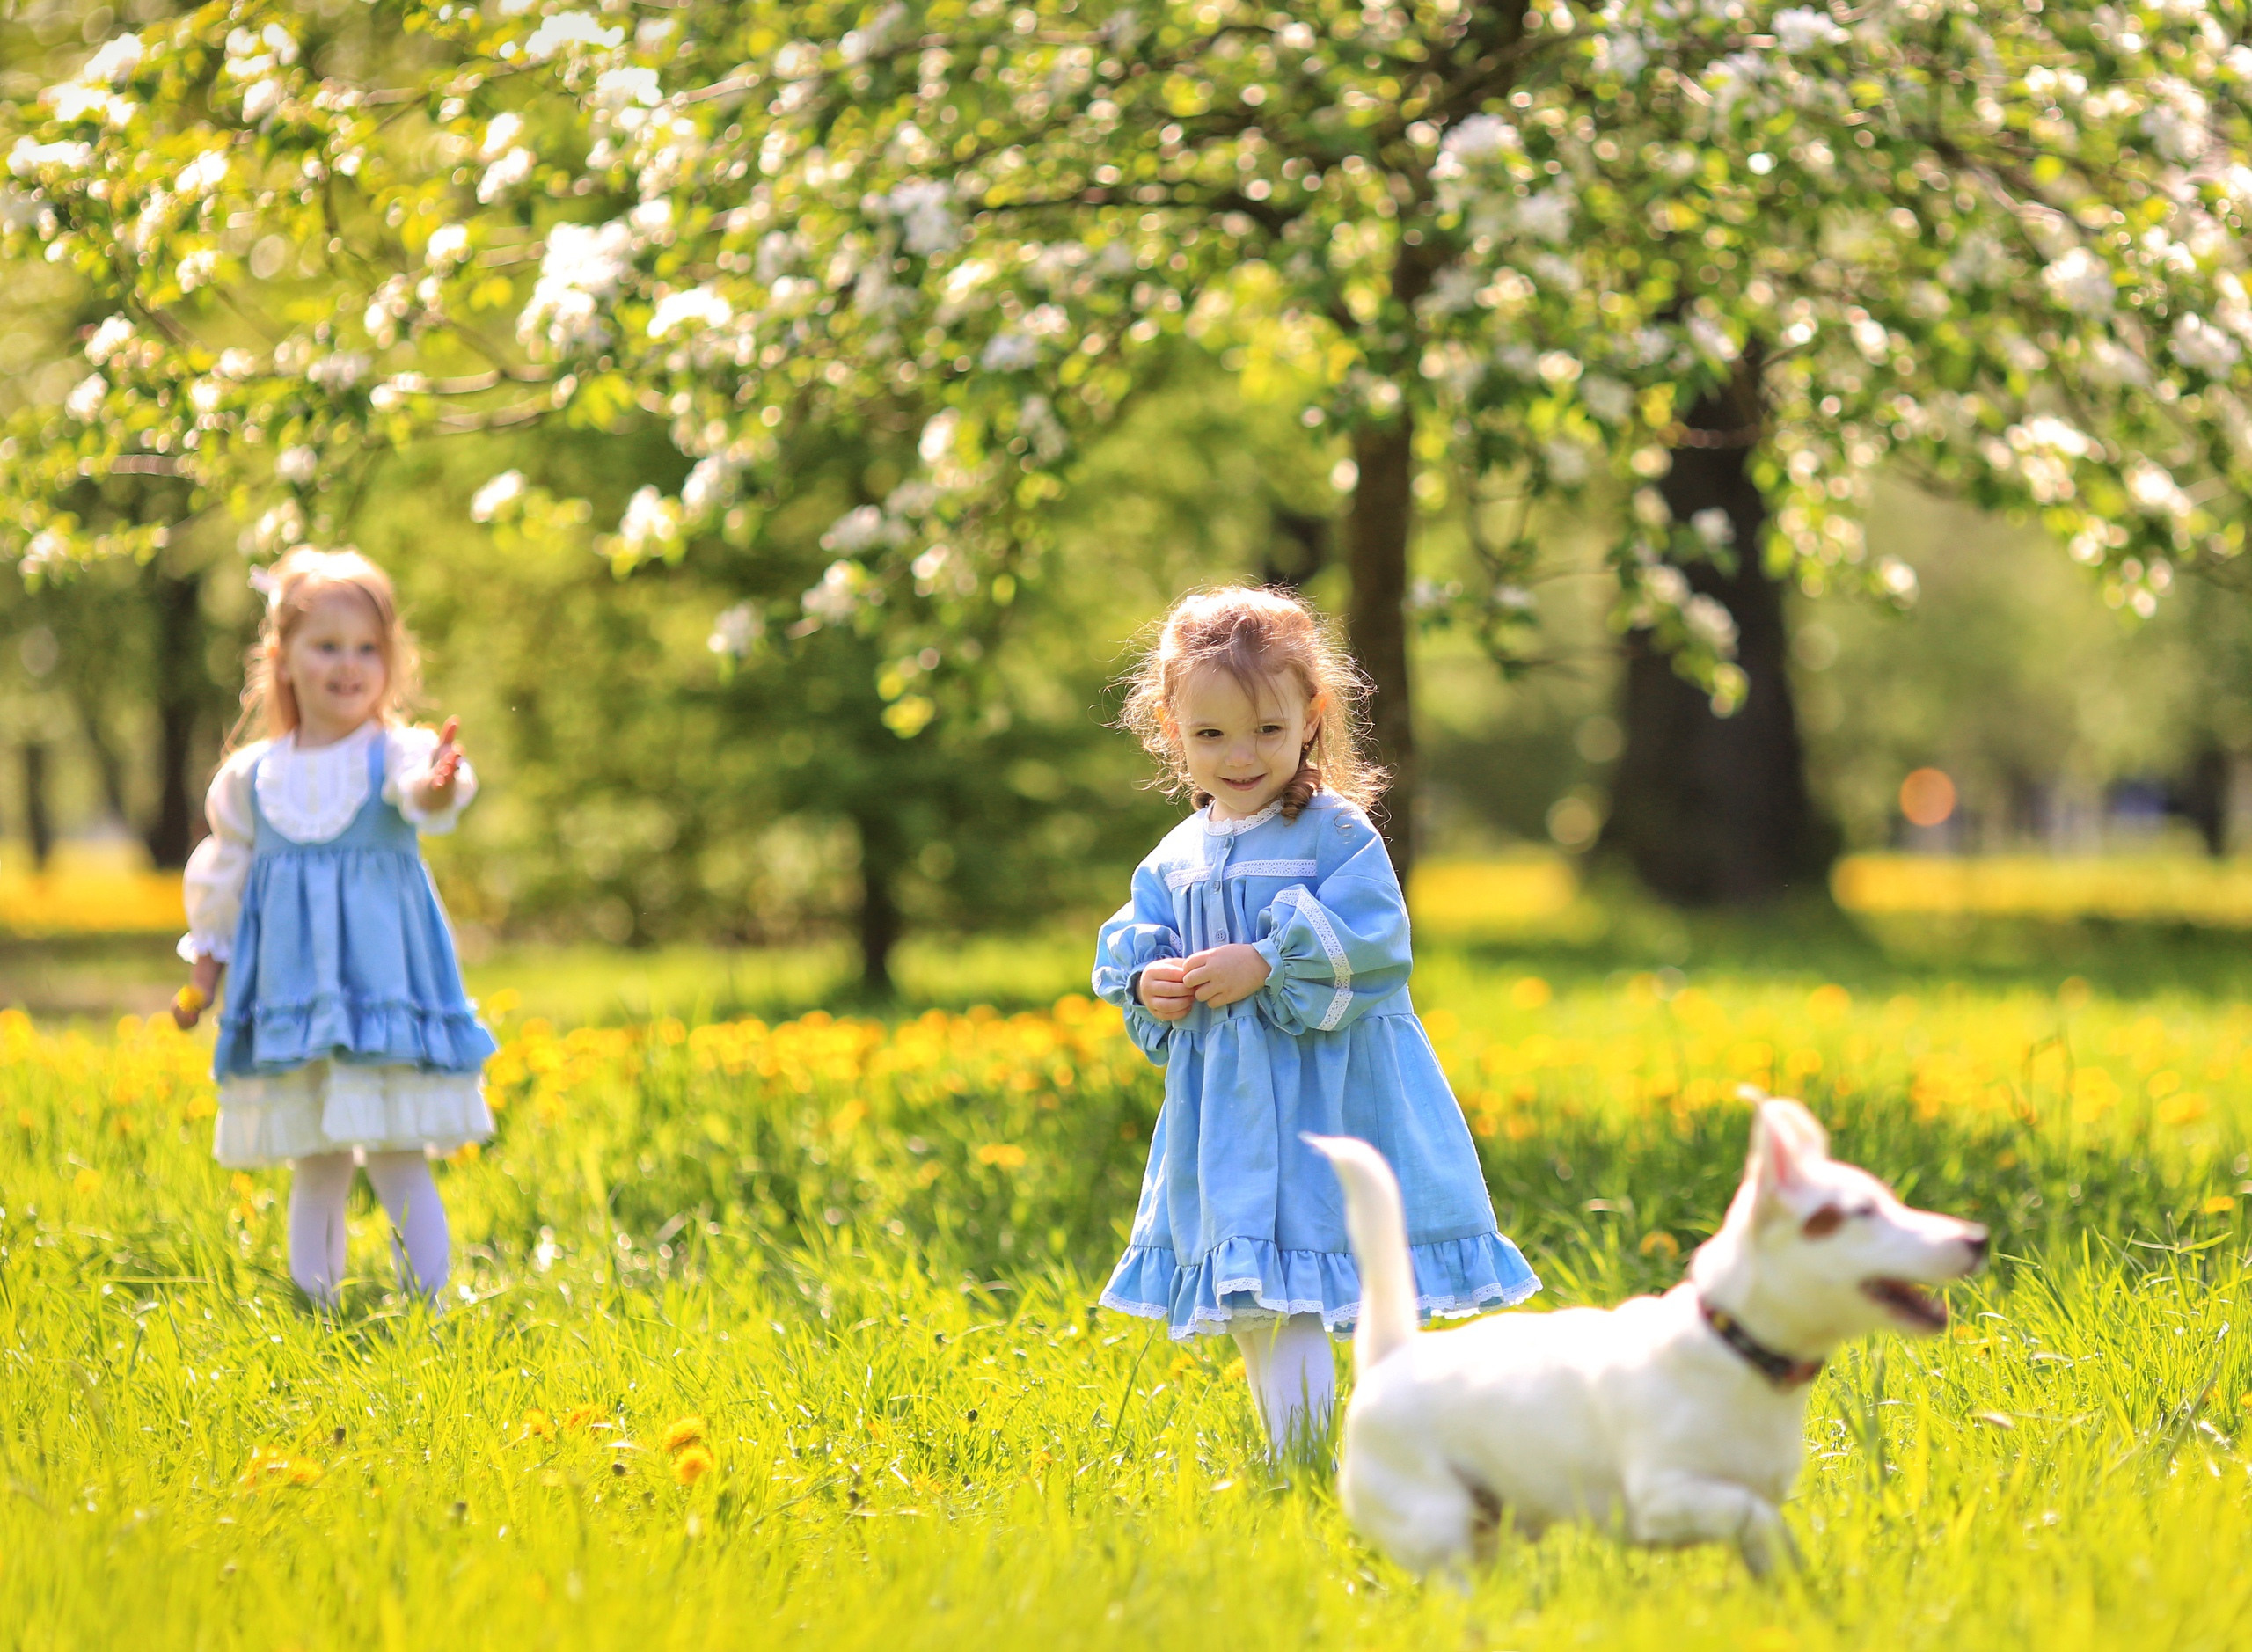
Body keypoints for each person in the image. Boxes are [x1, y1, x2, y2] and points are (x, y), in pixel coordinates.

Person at [1093, 586, 1540, 1454]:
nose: (1238, 754)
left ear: (1311, 716)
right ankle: (1292, 1450)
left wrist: (1264, 960)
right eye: (1210, 733)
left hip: (1328, 1100)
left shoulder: (1335, 834)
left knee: (1313, 1278)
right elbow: (1130, 948)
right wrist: (1153, 980)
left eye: (1265, 728)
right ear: (1169, 726)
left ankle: (1365, 1443)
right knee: (1257, 1290)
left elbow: (1376, 940)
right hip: (1229, 1116)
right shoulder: (1177, 856)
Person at [172, 547, 497, 1307]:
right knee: (315, 1154)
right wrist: (202, 977)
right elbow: (223, 880)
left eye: (367, 649)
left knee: (394, 1149)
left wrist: (440, 783)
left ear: (390, 661)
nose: (348, 666)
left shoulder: (394, 753)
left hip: (384, 987)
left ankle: (432, 1306)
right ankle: (314, 1306)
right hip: (292, 992)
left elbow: (427, 794)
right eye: (327, 646)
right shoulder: (252, 778)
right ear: (282, 659)